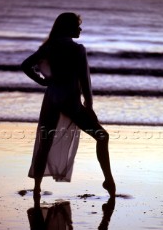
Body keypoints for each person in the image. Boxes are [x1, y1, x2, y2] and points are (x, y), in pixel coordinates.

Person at [21, 12, 116, 208]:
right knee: (102, 136)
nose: (80, 29)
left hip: (51, 98)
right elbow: (84, 83)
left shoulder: (49, 46)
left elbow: (25, 65)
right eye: (77, 26)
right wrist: (89, 108)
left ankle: (37, 188)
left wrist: (41, 81)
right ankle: (109, 181)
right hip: (69, 100)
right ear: (68, 28)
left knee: (45, 142)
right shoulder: (77, 49)